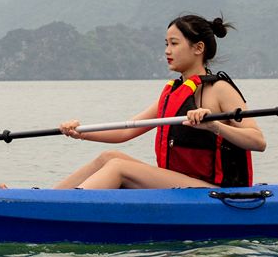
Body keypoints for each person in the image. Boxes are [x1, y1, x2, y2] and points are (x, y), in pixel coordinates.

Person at [50, 15, 265, 189]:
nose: (167, 51)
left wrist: (214, 126)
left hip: (214, 190)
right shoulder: (174, 92)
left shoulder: (219, 89)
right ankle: (51, 200)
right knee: (108, 157)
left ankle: (68, 209)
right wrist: (80, 132)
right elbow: (125, 132)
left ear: (198, 48)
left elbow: (257, 141)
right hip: (180, 182)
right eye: (166, 44)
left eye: (174, 43)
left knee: (118, 167)